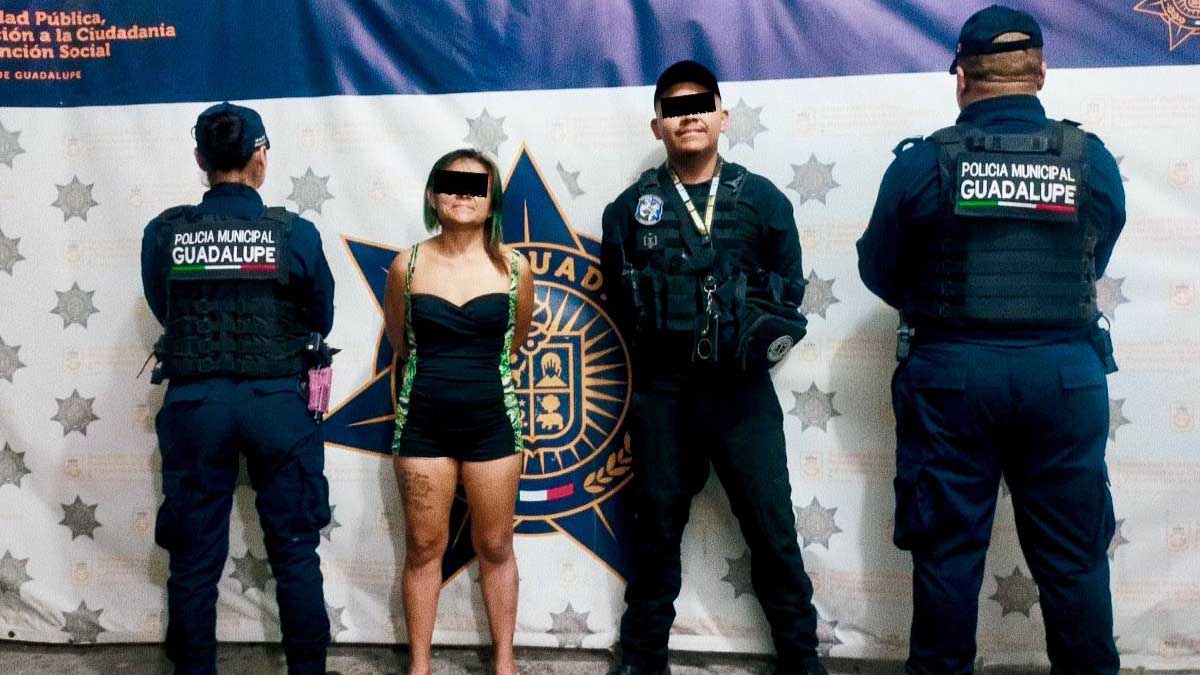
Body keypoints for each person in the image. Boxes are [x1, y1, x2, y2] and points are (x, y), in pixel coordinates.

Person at [856, 6, 1126, 673]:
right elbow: (1095, 256)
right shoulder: (1090, 159)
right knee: (1074, 562)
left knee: (947, 559)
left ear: (961, 77)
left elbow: (880, 269)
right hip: (1064, 377)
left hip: (953, 380)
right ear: (1040, 72)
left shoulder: (923, 164)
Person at [600, 60, 824, 675]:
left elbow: (790, 290)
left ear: (724, 116)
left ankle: (801, 658)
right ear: (657, 126)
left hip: (741, 393)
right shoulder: (630, 210)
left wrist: (745, 329)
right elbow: (618, 297)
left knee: (773, 531)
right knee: (654, 531)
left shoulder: (762, 199)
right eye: (674, 109)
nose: (688, 117)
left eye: (700, 104)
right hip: (665, 393)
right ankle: (643, 658)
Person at [140, 102, 337, 675]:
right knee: (295, 552)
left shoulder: (165, 232)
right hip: (278, 404)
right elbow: (320, 317)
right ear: (261, 157)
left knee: (193, 560)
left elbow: (164, 306)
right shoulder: (295, 232)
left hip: (196, 405)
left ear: (199, 158)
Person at [382, 148, 534, 675]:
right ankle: (419, 666)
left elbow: (514, 343)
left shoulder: (515, 268)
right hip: (423, 426)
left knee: (495, 544)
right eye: (451, 184)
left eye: (476, 187)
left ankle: (504, 662)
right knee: (424, 546)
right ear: (432, 195)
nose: (463, 196)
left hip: (493, 426)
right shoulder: (407, 266)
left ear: (493, 201)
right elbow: (401, 343)